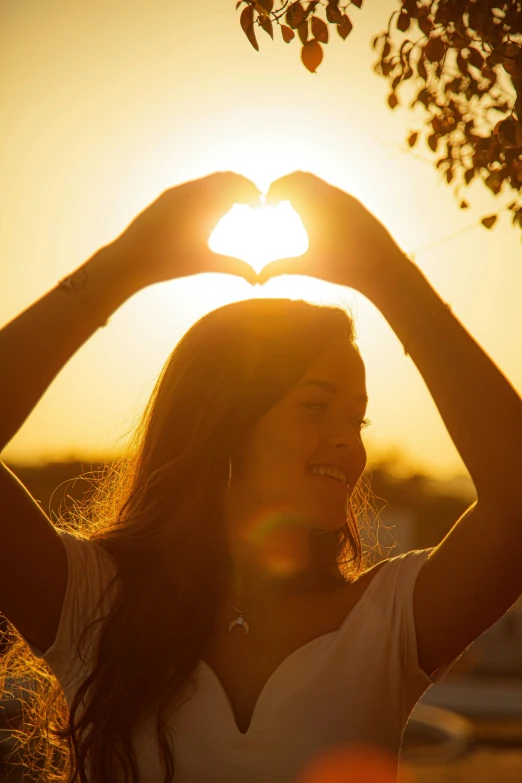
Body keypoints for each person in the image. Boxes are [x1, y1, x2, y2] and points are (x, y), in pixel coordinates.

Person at [0, 171, 521, 783]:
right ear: (226, 421)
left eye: (358, 417)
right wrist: (122, 266)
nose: (347, 441)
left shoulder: (387, 621)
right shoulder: (92, 602)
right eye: (315, 406)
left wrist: (389, 276)